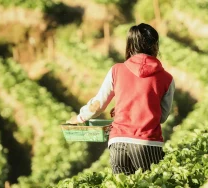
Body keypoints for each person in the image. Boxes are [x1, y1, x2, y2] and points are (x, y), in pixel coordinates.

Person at [67, 23, 175, 175]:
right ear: (155, 46)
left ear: (130, 45)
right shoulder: (167, 79)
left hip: (118, 143)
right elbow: (162, 117)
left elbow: (98, 105)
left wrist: (80, 117)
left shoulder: (116, 70)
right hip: (147, 143)